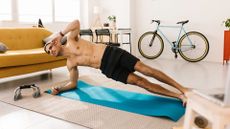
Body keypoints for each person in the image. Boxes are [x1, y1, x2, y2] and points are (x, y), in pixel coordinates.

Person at [44, 19, 189, 106]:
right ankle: (179, 96)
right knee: (140, 82)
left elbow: (76, 22)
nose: (50, 51)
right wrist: (60, 89)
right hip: (107, 68)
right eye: (48, 52)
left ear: (56, 42)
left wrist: (60, 33)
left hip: (112, 53)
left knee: (146, 70)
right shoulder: (70, 64)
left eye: (50, 47)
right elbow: (74, 83)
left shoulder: (71, 39)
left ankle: (183, 89)